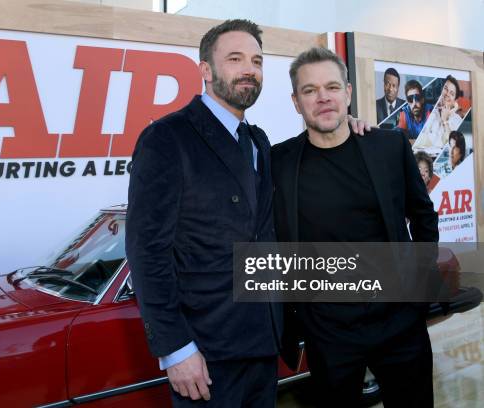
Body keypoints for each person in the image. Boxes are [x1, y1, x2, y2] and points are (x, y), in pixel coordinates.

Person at [126, 19, 368, 408]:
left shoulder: (257, 141)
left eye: (256, 61)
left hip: (262, 343)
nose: (249, 70)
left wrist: (347, 126)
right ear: (205, 70)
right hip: (204, 354)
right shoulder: (167, 139)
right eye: (235, 59)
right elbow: (146, 252)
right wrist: (175, 349)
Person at [271, 47, 438, 408]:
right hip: (328, 332)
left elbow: (423, 216)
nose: (323, 97)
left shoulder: (388, 146)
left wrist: (420, 293)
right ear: (296, 102)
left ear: (348, 93)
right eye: (309, 90)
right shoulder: (278, 162)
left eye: (332, 87)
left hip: (400, 323)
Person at [413, 75, 463, 150]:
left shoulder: (457, 120)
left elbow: (452, 145)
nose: (447, 94)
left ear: (455, 101)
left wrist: (445, 121)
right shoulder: (430, 112)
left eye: (452, 93)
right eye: (445, 89)